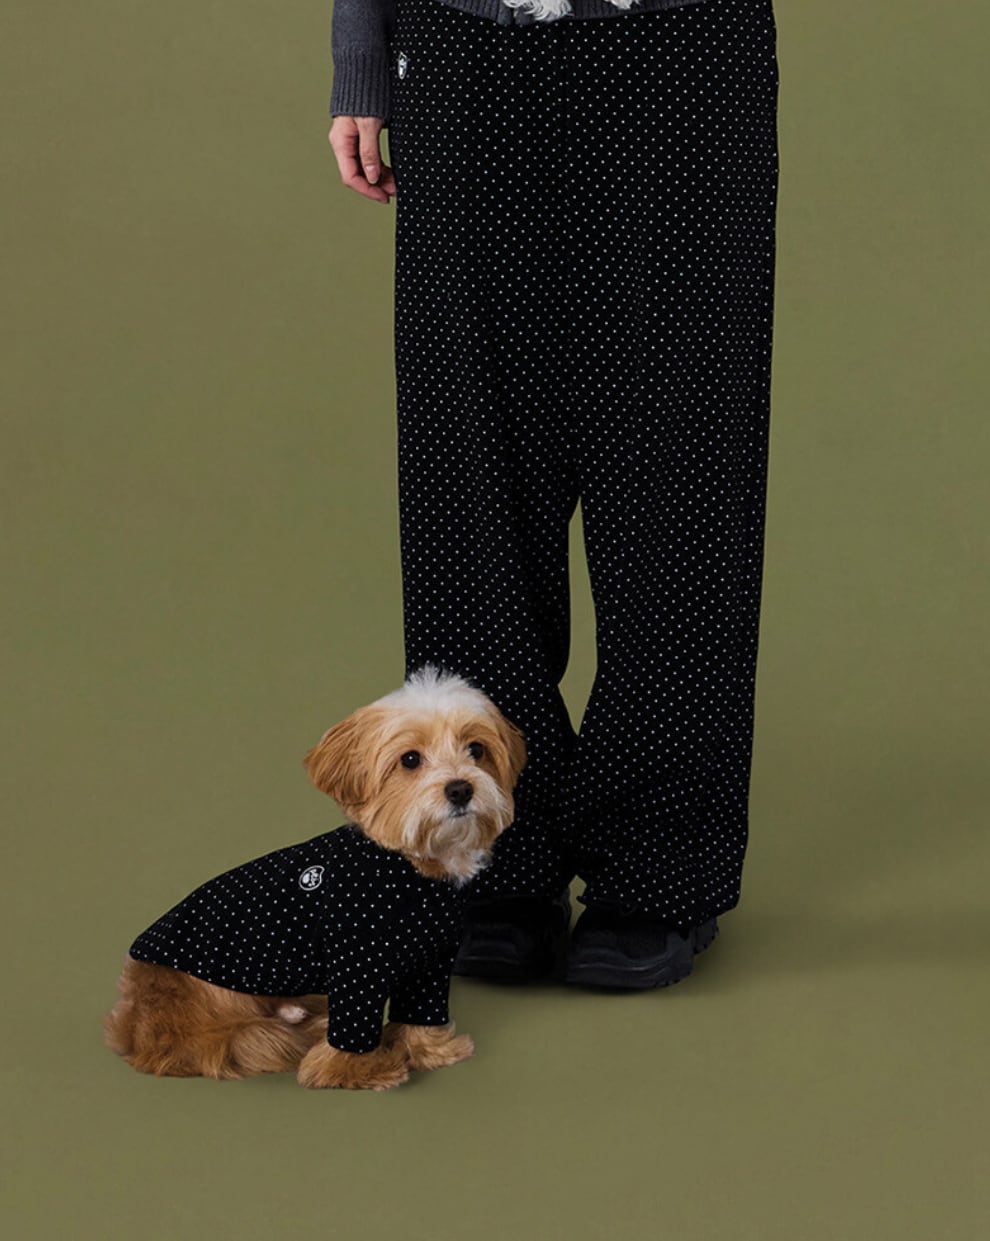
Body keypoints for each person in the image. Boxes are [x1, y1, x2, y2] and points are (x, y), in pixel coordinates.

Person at [325, 0, 780, 990]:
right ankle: (493, 855)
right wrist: (362, 54)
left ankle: (659, 866)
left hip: (682, 47)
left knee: (679, 465)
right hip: (463, 45)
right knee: (470, 470)